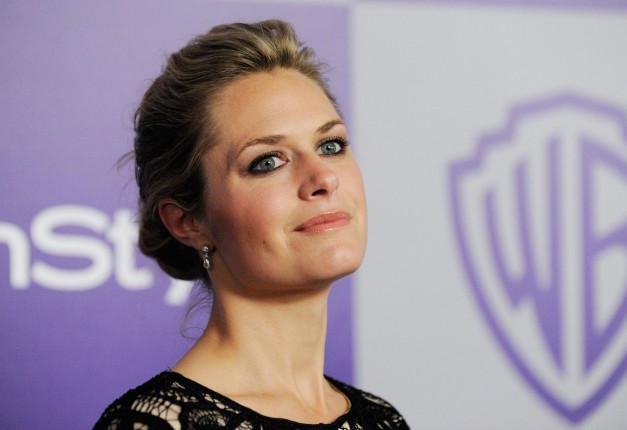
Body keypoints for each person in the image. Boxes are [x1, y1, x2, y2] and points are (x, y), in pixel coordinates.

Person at [93, 19, 408, 429]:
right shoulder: (152, 424)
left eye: (331, 145)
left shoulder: (382, 420)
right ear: (189, 222)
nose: (323, 178)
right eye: (267, 161)